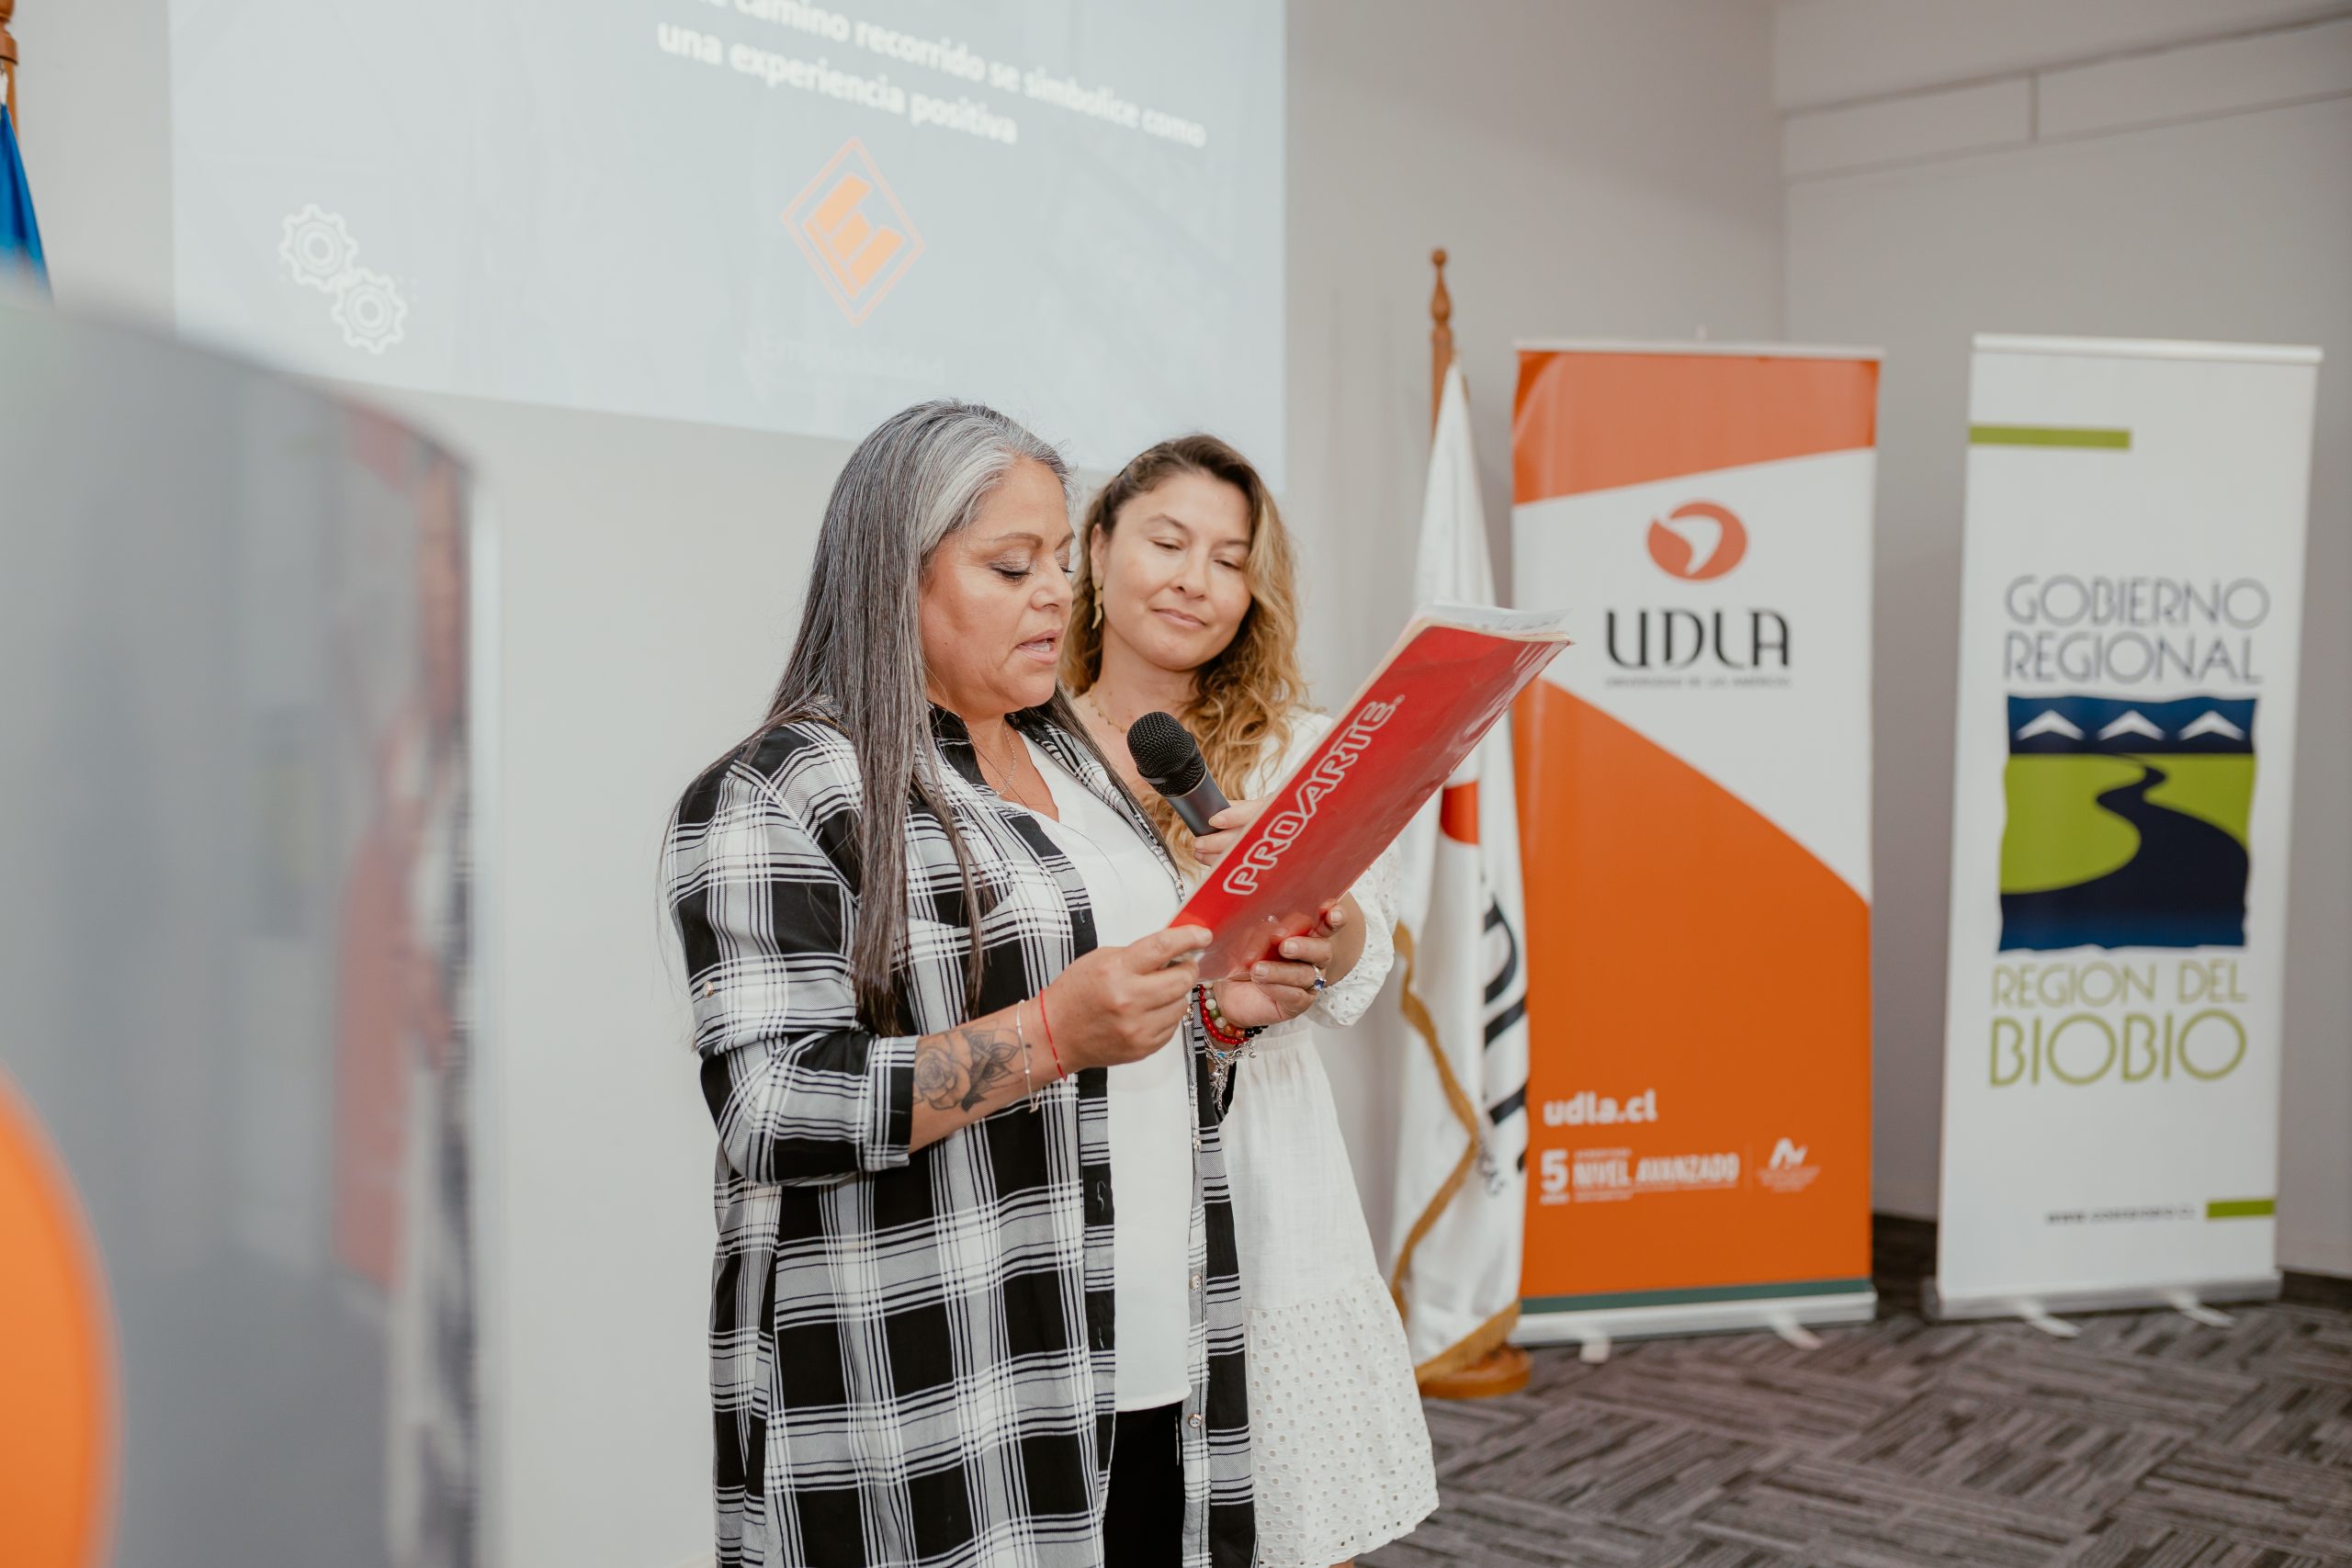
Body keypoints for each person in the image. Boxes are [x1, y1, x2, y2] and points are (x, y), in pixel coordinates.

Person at [662, 402, 1331, 1568]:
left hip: (1148, 1345)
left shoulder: (1082, 762)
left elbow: (1131, 1051)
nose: (1054, 596)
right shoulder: (780, 792)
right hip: (948, 1376)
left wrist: (1218, 1016)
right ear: (893, 577)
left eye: (1062, 562)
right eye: (1012, 567)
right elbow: (771, 1108)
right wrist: (1050, 1036)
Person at [1061, 435, 1440, 1568]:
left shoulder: (1294, 748)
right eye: (1168, 543)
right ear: (1097, 551)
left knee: (1287, 1518)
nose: (1195, 580)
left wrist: (1317, 910)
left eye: (1229, 560)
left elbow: (1361, 963)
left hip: (1261, 1155)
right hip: (1084, 1146)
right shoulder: (1023, 744)